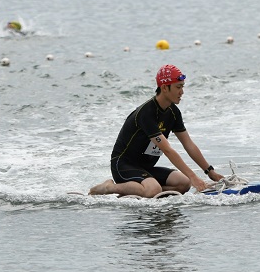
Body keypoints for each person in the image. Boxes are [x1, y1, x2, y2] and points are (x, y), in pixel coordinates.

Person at [89, 65, 223, 197]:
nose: (182, 92)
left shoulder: (173, 112)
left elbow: (189, 144)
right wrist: (194, 177)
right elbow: (167, 150)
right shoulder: (146, 112)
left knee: (184, 183)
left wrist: (210, 172)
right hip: (123, 166)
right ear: (164, 88)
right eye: (178, 87)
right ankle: (109, 187)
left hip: (145, 169)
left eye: (182, 87)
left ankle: (138, 190)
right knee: (153, 189)